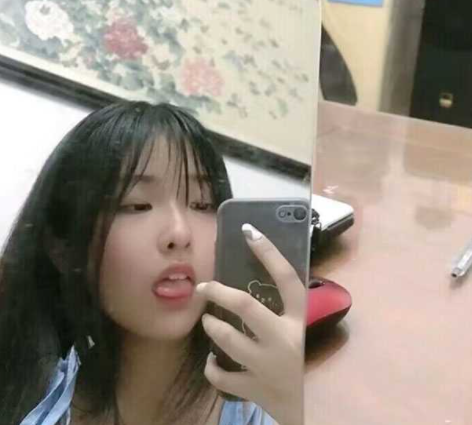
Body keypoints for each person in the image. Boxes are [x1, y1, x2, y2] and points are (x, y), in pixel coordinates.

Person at [0, 101, 305, 425]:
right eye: (137, 205)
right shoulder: (27, 397)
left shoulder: (269, 407)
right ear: (63, 247)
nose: (179, 233)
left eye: (202, 203)